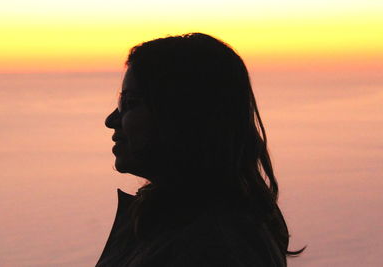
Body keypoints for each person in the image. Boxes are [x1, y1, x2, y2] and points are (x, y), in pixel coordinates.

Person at [98, 33, 304, 266]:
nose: (111, 120)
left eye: (131, 103)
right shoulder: (164, 222)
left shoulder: (212, 248)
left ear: (183, 117)